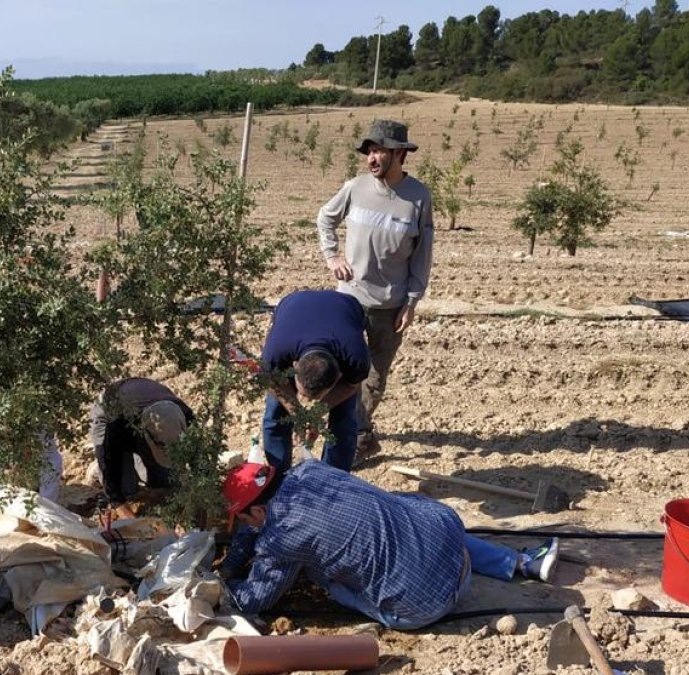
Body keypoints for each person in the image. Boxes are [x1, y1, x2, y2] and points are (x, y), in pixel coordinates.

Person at [220, 461, 559, 629]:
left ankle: (376, 602)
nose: (248, 526)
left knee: (314, 568)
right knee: (401, 513)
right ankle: (520, 563)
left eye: (246, 519)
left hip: (423, 609)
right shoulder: (311, 471)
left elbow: (253, 599)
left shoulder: (281, 540)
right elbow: (272, 513)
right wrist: (250, 533)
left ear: (259, 510)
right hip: (459, 556)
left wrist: (225, 579)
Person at [316, 119, 435, 459]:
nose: (372, 157)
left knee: (375, 378)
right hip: (350, 299)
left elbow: (423, 253)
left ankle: (357, 432)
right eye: (370, 149)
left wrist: (412, 302)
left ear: (399, 154)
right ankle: (352, 436)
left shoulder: (418, 198)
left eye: (380, 149)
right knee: (339, 371)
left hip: (391, 305)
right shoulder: (355, 188)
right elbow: (325, 218)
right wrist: (332, 255)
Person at [259, 289, 371, 473]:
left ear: (338, 376)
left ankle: (334, 478)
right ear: (294, 366)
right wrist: (296, 410)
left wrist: (318, 412)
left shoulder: (355, 358)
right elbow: (271, 381)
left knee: (344, 419)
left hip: (345, 309)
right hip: (293, 305)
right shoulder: (276, 353)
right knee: (275, 414)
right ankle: (278, 477)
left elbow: (351, 385)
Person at [89, 378, 194, 521]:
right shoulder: (117, 425)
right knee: (127, 489)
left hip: (141, 409)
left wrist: (193, 508)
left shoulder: (185, 418)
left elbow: (201, 463)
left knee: (164, 481)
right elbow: (109, 468)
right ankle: (106, 468)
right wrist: (132, 522)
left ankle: (141, 461)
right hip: (108, 411)